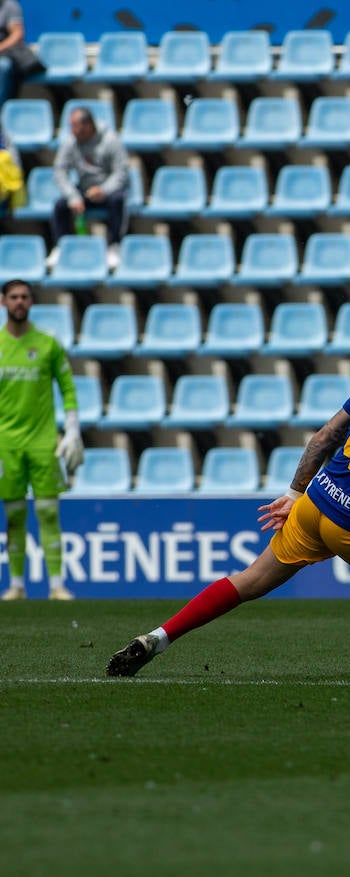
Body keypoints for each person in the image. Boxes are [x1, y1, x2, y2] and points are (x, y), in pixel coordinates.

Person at [106, 308, 350, 679]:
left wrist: (293, 493)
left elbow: (323, 437)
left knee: (249, 580)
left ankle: (159, 637)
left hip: (314, 502)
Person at [1, 279, 82, 601]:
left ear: (31, 302)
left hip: (43, 441)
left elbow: (67, 386)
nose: (19, 302)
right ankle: (16, 585)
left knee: (48, 512)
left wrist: (72, 428)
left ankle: (57, 585)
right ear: (4, 301)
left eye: (24, 296)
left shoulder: (48, 342)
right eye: (14, 297)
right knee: (14, 515)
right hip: (6, 443)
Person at [50, 107, 130, 271]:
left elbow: (121, 173)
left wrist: (104, 190)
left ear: (88, 125)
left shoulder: (111, 140)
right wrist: (73, 196)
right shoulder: (71, 142)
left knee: (118, 200)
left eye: (75, 126)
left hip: (108, 190)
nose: (72, 130)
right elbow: (60, 171)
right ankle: (61, 246)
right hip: (84, 191)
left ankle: (114, 246)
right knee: (60, 205)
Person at [0, 0, 44, 106]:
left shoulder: (9, 5)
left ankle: (2, 107)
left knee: (3, 66)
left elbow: (17, 33)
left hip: (5, 53)